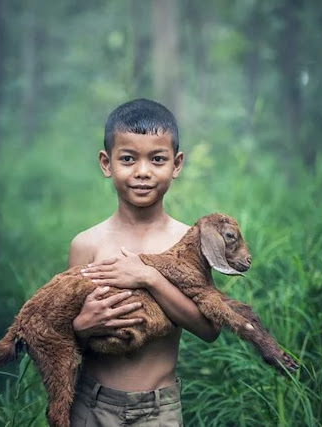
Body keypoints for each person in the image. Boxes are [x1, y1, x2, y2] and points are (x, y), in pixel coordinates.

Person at [67, 99, 220, 426]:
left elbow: (209, 328)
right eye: (127, 159)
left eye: (157, 159)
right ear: (106, 163)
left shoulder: (189, 242)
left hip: (159, 410)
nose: (142, 172)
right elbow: (61, 336)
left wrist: (150, 278)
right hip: (90, 405)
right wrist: (82, 327)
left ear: (176, 165)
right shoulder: (87, 244)